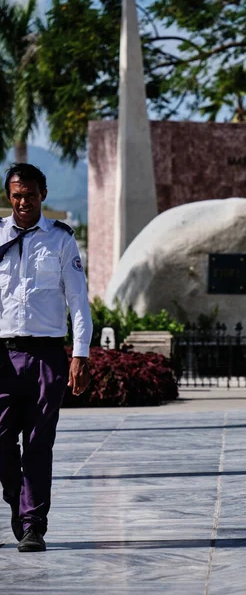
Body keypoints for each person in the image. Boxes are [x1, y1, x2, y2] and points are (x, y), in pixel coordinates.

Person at [0, 163, 92, 552]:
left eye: (30, 195)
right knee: (2, 441)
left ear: (43, 195)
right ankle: (18, 504)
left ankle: (34, 522)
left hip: (46, 357)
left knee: (39, 442)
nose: (23, 202)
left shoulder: (61, 240)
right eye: (17, 195)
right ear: (9, 196)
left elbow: (77, 299)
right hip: (2, 356)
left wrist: (81, 354)